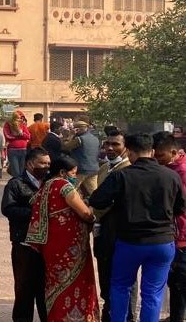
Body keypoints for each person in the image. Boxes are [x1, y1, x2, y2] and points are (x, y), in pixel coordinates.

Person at [90, 133, 185, 322]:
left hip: (130, 242)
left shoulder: (121, 175)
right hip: (162, 243)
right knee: (152, 293)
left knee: (120, 287)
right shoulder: (171, 175)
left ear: (130, 152)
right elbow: (180, 208)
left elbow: (97, 200)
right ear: (151, 151)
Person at [25, 155, 99, 321]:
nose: (74, 177)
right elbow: (85, 213)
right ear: (63, 172)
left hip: (51, 245)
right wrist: (93, 218)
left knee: (55, 283)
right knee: (74, 281)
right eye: (73, 173)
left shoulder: (45, 187)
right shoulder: (64, 186)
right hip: (70, 246)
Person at [1, 147, 50, 322]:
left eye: (48, 164)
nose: (46, 167)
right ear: (30, 164)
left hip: (47, 246)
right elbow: (8, 208)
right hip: (24, 244)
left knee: (45, 290)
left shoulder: (50, 182)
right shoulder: (16, 184)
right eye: (42, 163)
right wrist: (35, 214)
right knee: (24, 290)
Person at [94, 129, 135, 322]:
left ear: (126, 147)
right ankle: (109, 312)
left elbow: (110, 202)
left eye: (116, 144)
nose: (110, 148)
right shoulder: (103, 168)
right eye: (107, 144)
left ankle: (128, 316)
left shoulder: (129, 171)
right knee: (105, 276)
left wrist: (90, 211)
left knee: (125, 280)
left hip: (121, 232)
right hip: (103, 232)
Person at [152, 133, 186, 322]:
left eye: (161, 157)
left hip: (182, 233)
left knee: (180, 281)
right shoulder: (171, 169)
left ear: (173, 152)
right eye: (155, 156)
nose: (158, 161)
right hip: (174, 232)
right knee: (175, 281)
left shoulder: (180, 172)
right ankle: (175, 315)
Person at [64, 120, 100, 197]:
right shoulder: (95, 139)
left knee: (70, 191)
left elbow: (65, 147)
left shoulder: (79, 139)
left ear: (77, 129)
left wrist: (70, 135)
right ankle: (98, 207)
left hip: (81, 170)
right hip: (94, 169)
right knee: (94, 193)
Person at [4, 110, 30, 178]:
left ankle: (20, 186)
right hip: (13, 150)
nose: (19, 119)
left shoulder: (22, 125)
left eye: (21, 118)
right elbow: (7, 136)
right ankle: (16, 185)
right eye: (17, 118)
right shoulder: (8, 124)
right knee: (16, 171)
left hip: (23, 150)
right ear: (13, 118)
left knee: (22, 171)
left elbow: (28, 136)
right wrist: (17, 136)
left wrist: (21, 134)